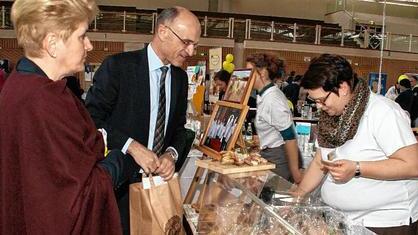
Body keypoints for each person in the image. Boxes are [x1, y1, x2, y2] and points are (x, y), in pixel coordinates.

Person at [0, 0, 135, 234]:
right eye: (82, 36)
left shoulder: (20, 85)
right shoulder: (45, 101)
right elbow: (75, 200)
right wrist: (119, 161)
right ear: (52, 43)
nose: (90, 45)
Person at [85, 6, 201, 234]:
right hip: (120, 188)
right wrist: (132, 147)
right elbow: (91, 118)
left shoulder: (179, 77)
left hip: (159, 188)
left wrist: (171, 154)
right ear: (163, 31)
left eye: (194, 45)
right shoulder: (118, 67)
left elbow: (178, 128)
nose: (190, 51)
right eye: (186, 42)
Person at [292, 54, 418, 235]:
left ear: (342, 88)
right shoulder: (331, 117)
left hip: (384, 224)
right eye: (315, 101)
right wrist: (299, 194)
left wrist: (357, 168)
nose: (319, 107)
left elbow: (413, 165)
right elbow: (321, 160)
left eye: (322, 100)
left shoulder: (382, 112)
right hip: (343, 220)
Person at [250, 53, 303, 183]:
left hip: (280, 158)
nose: (246, 76)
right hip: (271, 153)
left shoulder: (273, 99)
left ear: (262, 73)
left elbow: (290, 138)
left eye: (249, 72)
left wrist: (295, 172)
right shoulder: (263, 95)